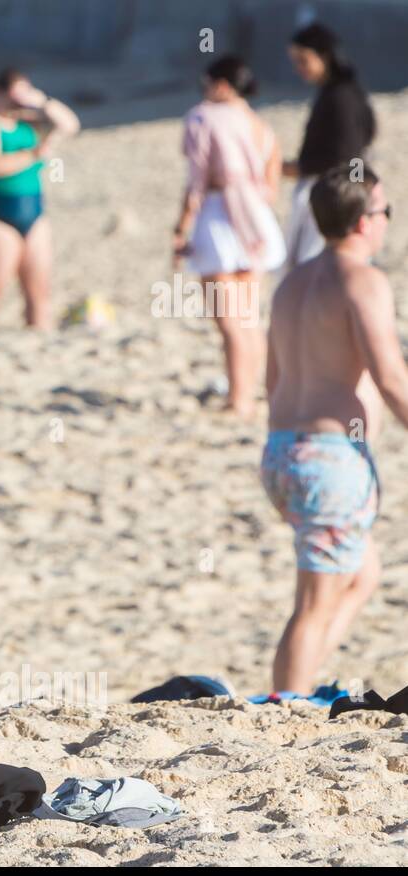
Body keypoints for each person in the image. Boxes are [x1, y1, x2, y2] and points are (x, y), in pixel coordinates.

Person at [262, 166, 399, 695]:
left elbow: (272, 380)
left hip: (281, 452)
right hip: (328, 458)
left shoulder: (292, 283)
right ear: (364, 222)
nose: (387, 221)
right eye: (385, 211)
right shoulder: (363, 280)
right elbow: (389, 375)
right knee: (312, 608)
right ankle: (285, 705)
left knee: (363, 574)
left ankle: (302, 681)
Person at [174, 56, 286, 418]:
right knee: (249, 315)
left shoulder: (204, 117)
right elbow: (272, 181)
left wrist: (181, 227)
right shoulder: (261, 125)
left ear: (221, 84)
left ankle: (238, 399)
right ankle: (256, 393)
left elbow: (197, 181)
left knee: (228, 319)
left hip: (219, 217)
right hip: (255, 218)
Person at [0, 68, 79, 340]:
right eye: (15, 92)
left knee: (39, 291)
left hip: (34, 211)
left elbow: (70, 126)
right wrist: (33, 155)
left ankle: (39, 345)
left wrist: (42, 102)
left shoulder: (31, 121)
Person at [283, 22, 376, 270]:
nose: (299, 68)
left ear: (324, 56)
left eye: (303, 60)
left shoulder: (341, 97)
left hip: (331, 196)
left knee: (319, 268)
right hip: (337, 191)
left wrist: (299, 168)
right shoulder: (338, 92)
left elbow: (349, 154)